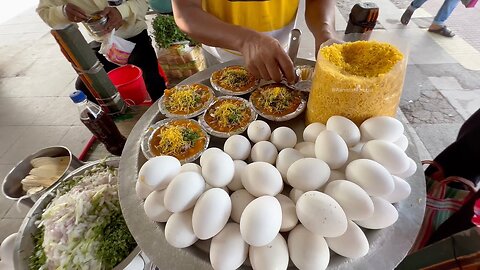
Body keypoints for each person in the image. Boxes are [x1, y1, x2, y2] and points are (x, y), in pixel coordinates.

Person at [171, 0, 337, 83]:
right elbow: (186, 11)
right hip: (219, 53)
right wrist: (245, 40)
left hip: (278, 50)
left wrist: (325, 31)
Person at [37, 0, 166, 102]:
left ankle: (167, 122)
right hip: (102, 44)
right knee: (86, 88)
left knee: (152, 83)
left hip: (135, 35)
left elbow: (143, 3)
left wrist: (122, 11)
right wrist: (63, 12)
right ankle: (117, 124)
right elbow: (44, 10)